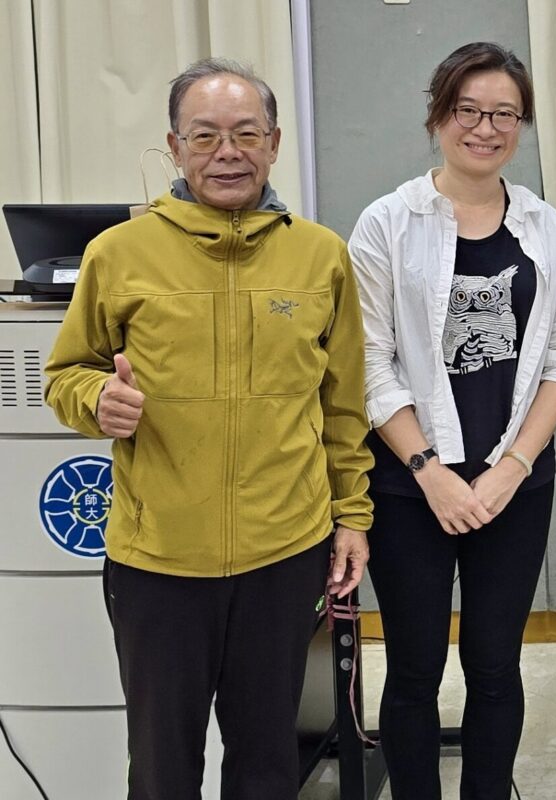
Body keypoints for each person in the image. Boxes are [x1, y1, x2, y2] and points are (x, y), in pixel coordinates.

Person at [44, 58, 373, 799]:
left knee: (266, 765)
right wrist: (98, 399)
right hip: (158, 560)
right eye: (206, 136)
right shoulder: (118, 254)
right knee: (162, 770)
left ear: (275, 142)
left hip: (283, 554)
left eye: (246, 133)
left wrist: (352, 515)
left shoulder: (321, 256)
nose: (228, 151)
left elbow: (343, 405)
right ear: (176, 146)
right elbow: (65, 374)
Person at [348, 42, 556, 800]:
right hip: (406, 488)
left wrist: (513, 464)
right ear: (438, 115)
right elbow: (366, 360)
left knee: (494, 663)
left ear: (521, 125)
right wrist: (431, 474)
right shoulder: (387, 223)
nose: (485, 129)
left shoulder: (546, 227)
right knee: (414, 665)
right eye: (469, 111)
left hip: (515, 487)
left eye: (504, 115)